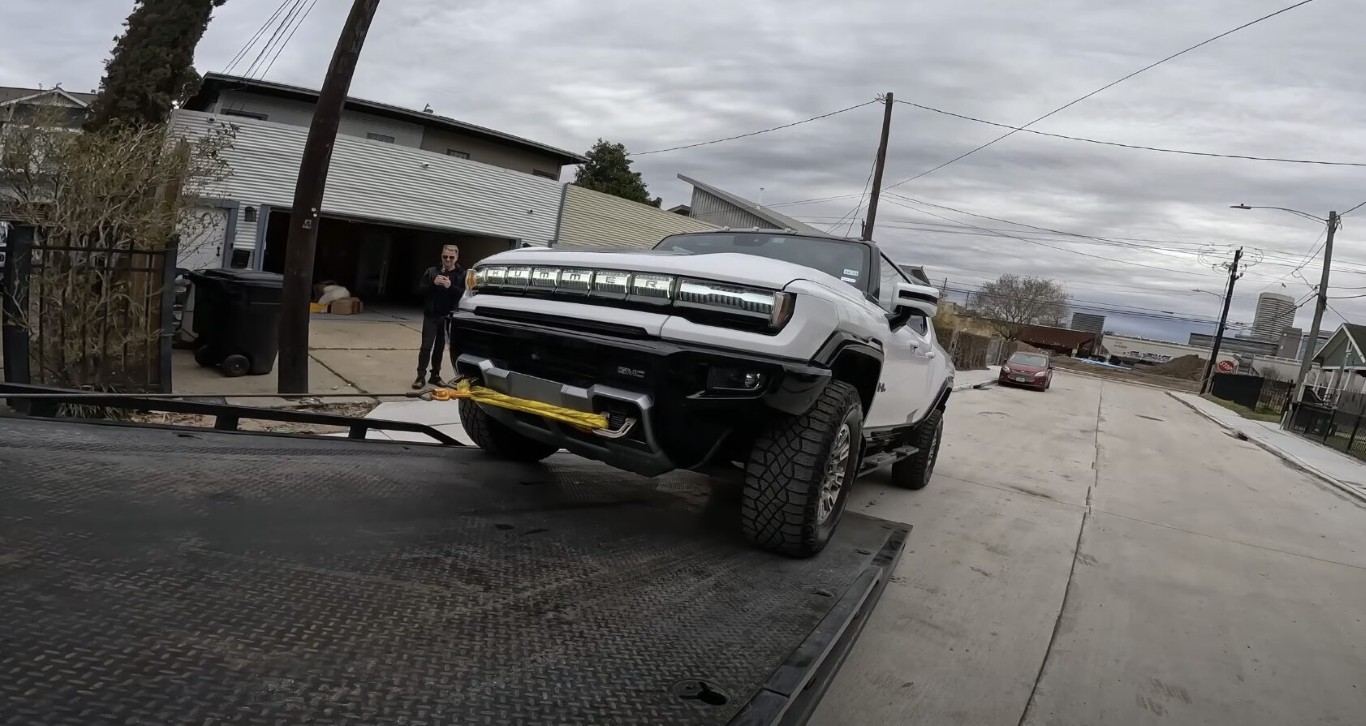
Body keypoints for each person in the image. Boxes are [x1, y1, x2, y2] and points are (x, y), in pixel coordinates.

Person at [414, 245, 465, 388]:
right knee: (426, 347)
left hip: (447, 317)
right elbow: (420, 290)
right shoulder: (432, 271)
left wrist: (451, 286)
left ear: (456, 257)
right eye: (445, 257)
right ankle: (420, 376)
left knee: (440, 348)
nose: (447, 260)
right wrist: (433, 283)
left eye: (451, 257)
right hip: (431, 315)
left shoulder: (462, 274)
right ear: (441, 256)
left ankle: (435, 376)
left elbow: (464, 294)